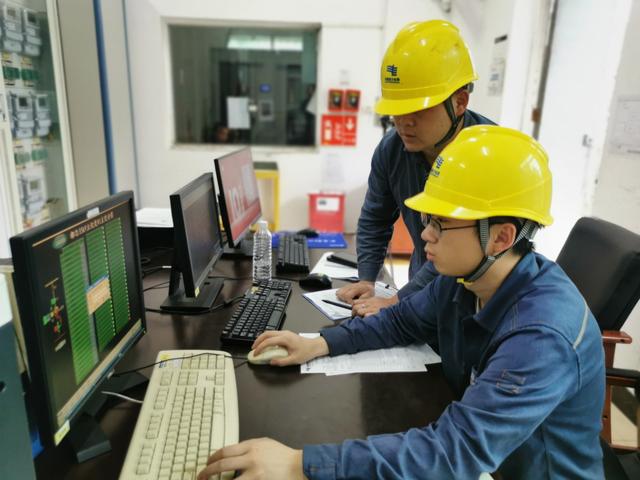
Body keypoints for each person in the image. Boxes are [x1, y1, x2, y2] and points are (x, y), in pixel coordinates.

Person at [197, 125, 605, 479]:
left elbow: (455, 452)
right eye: (428, 220)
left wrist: (298, 465)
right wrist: (318, 344)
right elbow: (401, 321)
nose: (425, 235)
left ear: (500, 237)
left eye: (441, 223)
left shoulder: (542, 335)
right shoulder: (466, 279)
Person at [336, 20, 495, 317]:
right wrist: (367, 279)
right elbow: (375, 218)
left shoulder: (489, 156)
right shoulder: (391, 149)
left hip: (476, 305)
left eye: (418, 110)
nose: (403, 122)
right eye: (396, 110)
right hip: (420, 289)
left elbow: (458, 250)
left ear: (459, 102)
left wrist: (400, 301)